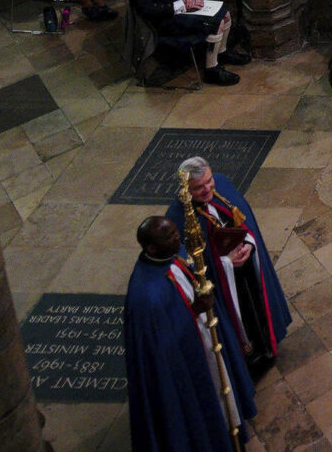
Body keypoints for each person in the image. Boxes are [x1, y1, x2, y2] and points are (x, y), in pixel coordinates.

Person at [124, 214, 255, 452]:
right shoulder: (146, 296)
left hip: (204, 339)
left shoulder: (170, 256)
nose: (178, 238)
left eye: (176, 232)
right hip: (188, 362)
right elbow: (161, 347)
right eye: (171, 236)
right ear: (151, 247)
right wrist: (195, 309)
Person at [171, 156, 290, 372]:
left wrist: (249, 244)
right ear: (186, 189)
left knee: (257, 309)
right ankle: (249, 357)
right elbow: (192, 266)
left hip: (247, 271)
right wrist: (226, 263)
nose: (207, 189)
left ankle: (267, 343)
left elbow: (244, 222)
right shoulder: (179, 219)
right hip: (223, 285)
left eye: (209, 181)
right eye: (198, 187)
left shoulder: (223, 185)